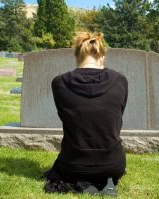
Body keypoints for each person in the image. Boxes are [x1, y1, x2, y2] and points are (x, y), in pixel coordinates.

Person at [44, 32, 128, 196]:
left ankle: (84, 182)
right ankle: (105, 180)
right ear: (102, 57)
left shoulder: (59, 83)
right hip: (114, 164)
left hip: (74, 164)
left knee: (70, 170)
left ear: (77, 57)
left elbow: (66, 117)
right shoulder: (121, 80)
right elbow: (117, 118)